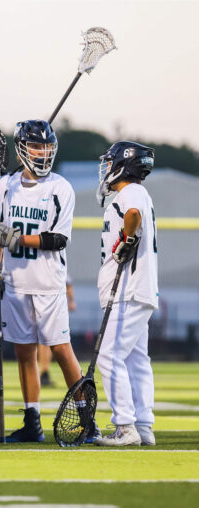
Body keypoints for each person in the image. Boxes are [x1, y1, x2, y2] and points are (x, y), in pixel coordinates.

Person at [0, 120, 99, 443]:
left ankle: (86, 419)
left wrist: (15, 238)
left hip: (48, 282)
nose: (43, 152)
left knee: (62, 350)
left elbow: (58, 239)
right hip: (16, 282)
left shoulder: (60, 187)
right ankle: (32, 419)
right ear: (22, 148)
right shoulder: (6, 185)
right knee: (23, 353)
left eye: (47, 147)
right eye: (36, 146)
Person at [94, 141, 158, 447]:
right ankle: (143, 424)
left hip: (127, 290)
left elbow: (133, 215)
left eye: (110, 162)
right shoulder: (139, 192)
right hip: (139, 289)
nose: (106, 168)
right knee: (136, 359)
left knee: (108, 356)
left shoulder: (130, 193)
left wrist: (128, 238)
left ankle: (125, 426)